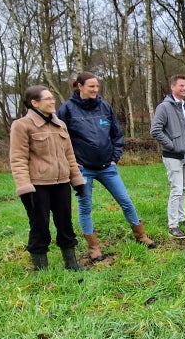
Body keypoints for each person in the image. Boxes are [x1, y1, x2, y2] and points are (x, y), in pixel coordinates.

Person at [57, 72, 156, 261]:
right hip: (83, 169)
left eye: (97, 86)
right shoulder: (67, 109)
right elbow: (59, 139)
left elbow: (117, 135)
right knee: (85, 207)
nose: (95, 90)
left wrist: (115, 157)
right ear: (80, 86)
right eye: (91, 86)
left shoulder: (104, 107)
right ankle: (94, 248)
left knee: (125, 201)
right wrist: (70, 162)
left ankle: (141, 236)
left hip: (107, 167)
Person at [9, 85, 87, 271]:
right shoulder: (22, 126)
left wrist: (77, 180)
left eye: (53, 98)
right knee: (39, 226)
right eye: (48, 99)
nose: (53, 102)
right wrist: (24, 188)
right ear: (34, 103)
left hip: (61, 184)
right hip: (37, 186)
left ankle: (71, 263)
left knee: (65, 224)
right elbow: (18, 159)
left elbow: (69, 155)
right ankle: (41, 269)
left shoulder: (60, 125)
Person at [150, 74, 185, 239]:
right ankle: (173, 225)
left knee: (184, 188)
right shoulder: (164, 107)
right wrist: (171, 145)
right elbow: (155, 130)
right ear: (173, 87)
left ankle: (181, 218)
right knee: (176, 189)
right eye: (181, 86)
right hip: (172, 156)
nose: (184, 89)